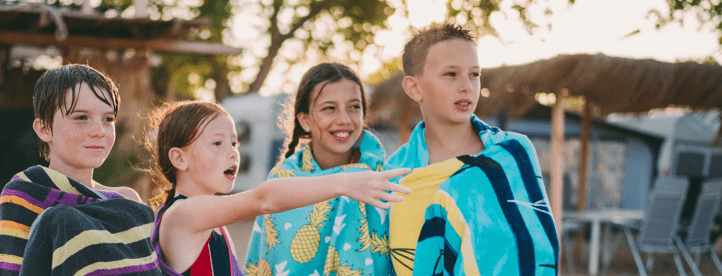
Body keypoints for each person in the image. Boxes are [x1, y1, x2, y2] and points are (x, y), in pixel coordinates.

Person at [147, 101, 412, 276]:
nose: (233, 154)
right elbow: (264, 198)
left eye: (235, 143)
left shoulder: (208, 216)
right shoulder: (183, 214)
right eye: (217, 144)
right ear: (179, 158)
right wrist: (345, 182)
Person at [384, 23, 559, 275]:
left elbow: (537, 247)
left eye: (474, 74)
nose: (467, 86)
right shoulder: (394, 174)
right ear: (414, 87)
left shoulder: (511, 153)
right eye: (451, 74)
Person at [0, 64, 160, 276]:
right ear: (44, 129)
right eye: (81, 117)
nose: (99, 131)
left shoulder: (127, 203)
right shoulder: (25, 197)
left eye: (108, 119)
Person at [244, 62, 395, 276]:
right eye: (329, 108)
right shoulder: (282, 180)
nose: (344, 119)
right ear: (305, 120)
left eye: (354, 107)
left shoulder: (385, 179)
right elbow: (267, 261)